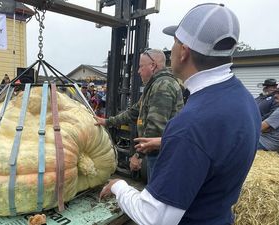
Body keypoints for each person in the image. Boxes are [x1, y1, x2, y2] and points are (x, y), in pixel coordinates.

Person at [100, 4, 261, 225]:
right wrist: (165, 141)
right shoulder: (243, 99)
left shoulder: (191, 124)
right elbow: (214, 147)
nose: (171, 50)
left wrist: (119, 186)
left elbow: (155, 219)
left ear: (184, 51)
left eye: (174, 42)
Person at [95, 48, 184, 180]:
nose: (138, 71)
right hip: (158, 153)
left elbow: (156, 128)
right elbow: (133, 112)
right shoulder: (155, 85)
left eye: (141, 66)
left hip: (162, 155)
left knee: (157, 194)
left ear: (153, 66)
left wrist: (138, 156)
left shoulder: (162, 86)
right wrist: (107, 122)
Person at [258, 81, 279, 153]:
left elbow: (260, 127)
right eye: (275, 93)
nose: (275, 95)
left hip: (266, 143)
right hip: (270, 141)